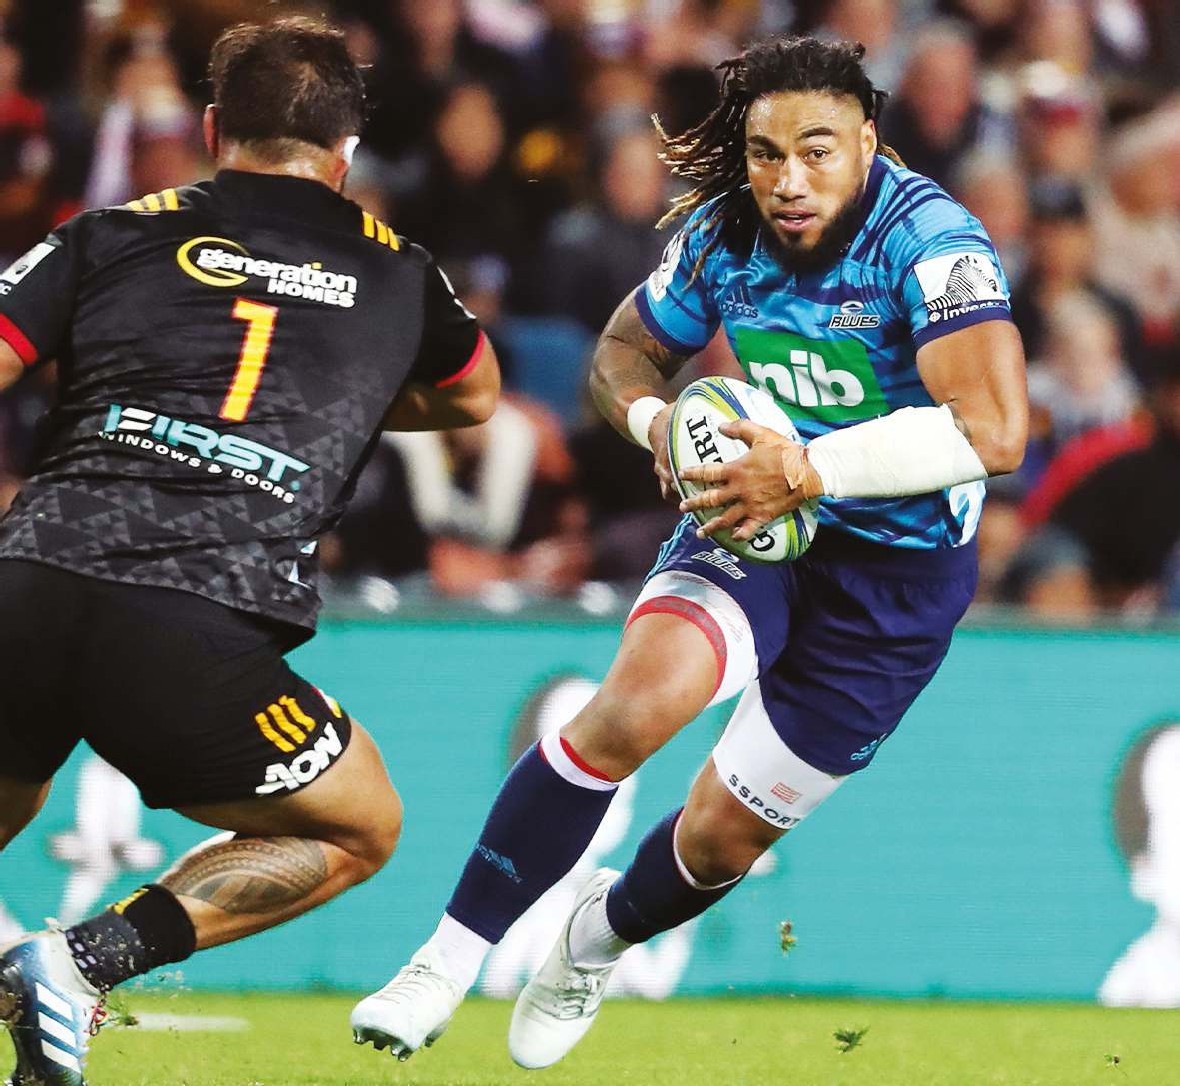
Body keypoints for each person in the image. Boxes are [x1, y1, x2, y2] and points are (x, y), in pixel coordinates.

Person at [352, 35, 1026, 1069]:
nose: (788, 181)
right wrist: (658, 425)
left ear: (867, 143)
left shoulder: (933, 243)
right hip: (751, 521)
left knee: (719, 842)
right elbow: (622, 355)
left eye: (816, 152)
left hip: (897, 575)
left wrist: (807, 469)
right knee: (633, 706)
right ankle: (441, 961)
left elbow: (994, 431)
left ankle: (593, 940)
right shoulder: (720, 235)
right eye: (765, 154)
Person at [0, 17, 498, 1086]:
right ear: (346, 152)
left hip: (29, 580)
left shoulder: (109, 230)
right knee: (359, 826)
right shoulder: (400, 273)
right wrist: (330, 397)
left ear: (213, 126)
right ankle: (80, 965)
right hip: (190, 619)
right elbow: (476, 396)